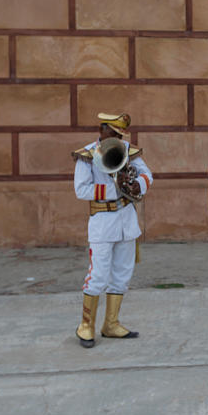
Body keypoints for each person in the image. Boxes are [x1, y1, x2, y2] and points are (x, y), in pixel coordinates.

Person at [71, 112, 153, 348]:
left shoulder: (129, 150)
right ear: (101, 130)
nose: (117, 138)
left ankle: (111, 323)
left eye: (120, 134)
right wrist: (116, 189)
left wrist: (138, 184)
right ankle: (86, 325)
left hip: (127, 221)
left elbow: (148, 175)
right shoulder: (86, 155)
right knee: (97, 275)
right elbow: (81, 190)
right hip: (103, 223)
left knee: (122, 275)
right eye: (113, 133)